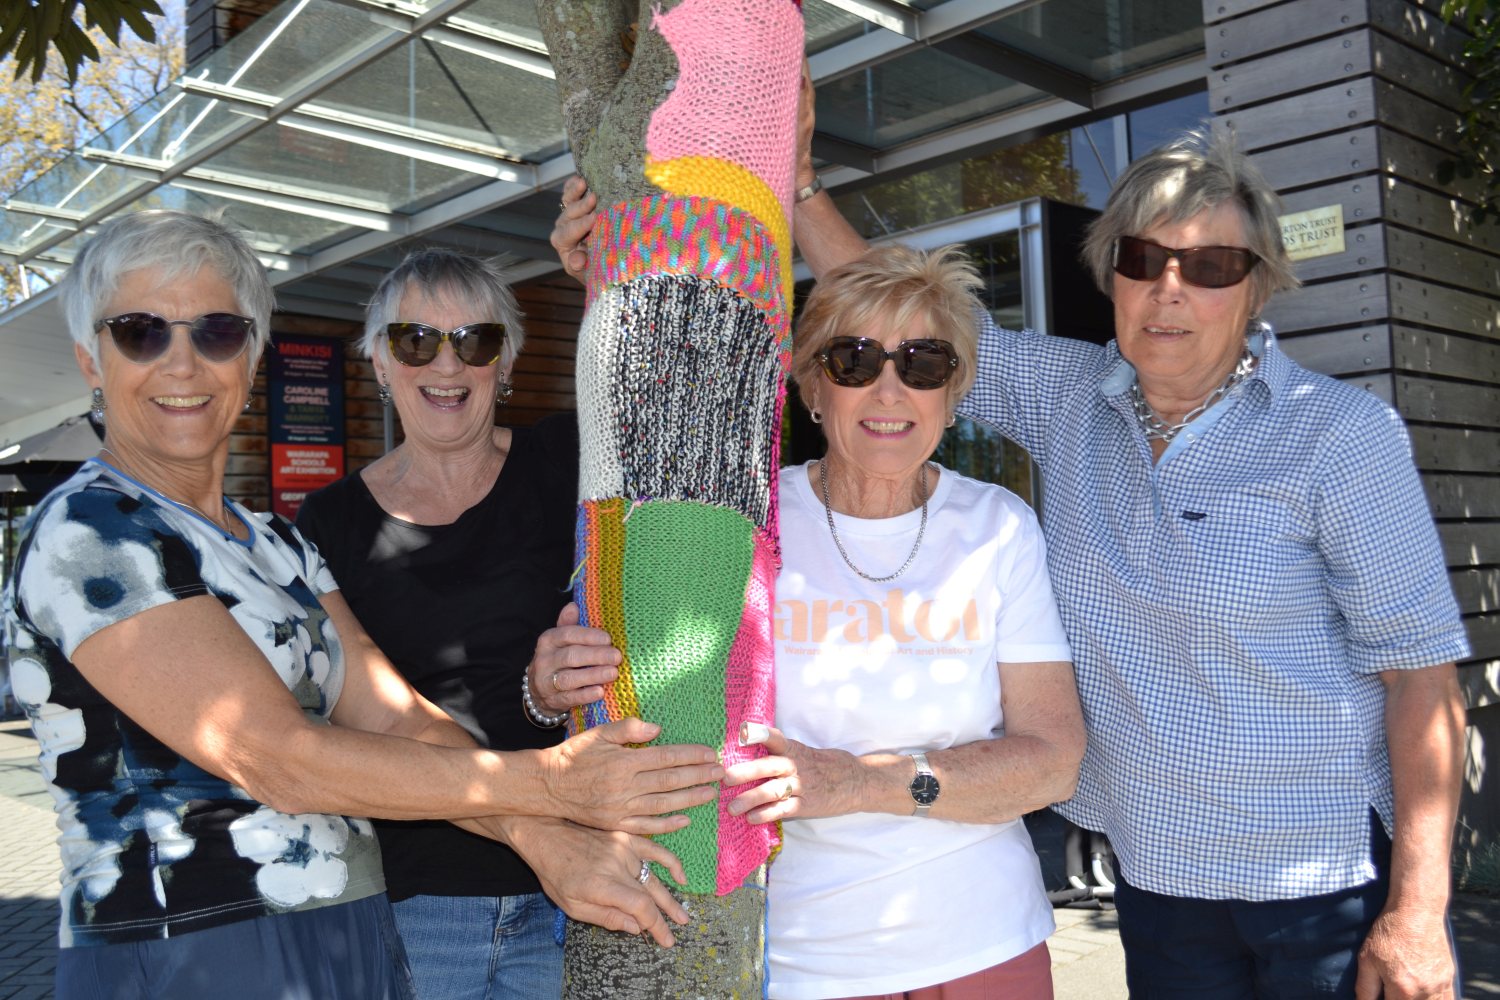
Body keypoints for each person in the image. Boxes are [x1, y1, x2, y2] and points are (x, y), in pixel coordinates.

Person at [551, 107, 1470, 996]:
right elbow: (907, 327)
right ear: (1112, 276)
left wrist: (1419, 911)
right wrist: (789, 190)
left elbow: (1424, 682)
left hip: (1317, 883)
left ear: (1259, 284)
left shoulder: (1340, 436)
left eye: (1213, 264)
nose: (1171, 289)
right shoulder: (1077, 396)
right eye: (1142, 260)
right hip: (1155, 874)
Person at [1, 210, 725, 1000]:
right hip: (189, 953)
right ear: (90, 361)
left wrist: (542, 837)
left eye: (216, 332)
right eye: (141, 332)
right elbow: (276, 756)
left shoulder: (273, 541)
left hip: (340, 939)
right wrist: (549, 786)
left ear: (249, 357)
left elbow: (394, 716)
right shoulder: (95, 528)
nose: (184, 363)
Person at [533, 242, 1086, 998]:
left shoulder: (998, 526)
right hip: (804, 963)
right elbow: (643, 692)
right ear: (812, 388)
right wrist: (554, 685)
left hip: (986, 947)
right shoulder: (745, 524)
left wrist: (858, 782)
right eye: (854, 360)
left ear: (953, 395)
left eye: (922, 364)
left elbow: (1053, 758)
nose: (889, 391)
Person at [295, 248, 584, 1000]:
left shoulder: (568, 462)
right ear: (380, 363)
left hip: (573, 888)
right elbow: (339, 714)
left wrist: (604, 276)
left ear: (506, 360)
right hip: (413, 899)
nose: (446, 362)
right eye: (415, 340)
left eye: (475, 340)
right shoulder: (329, 523)